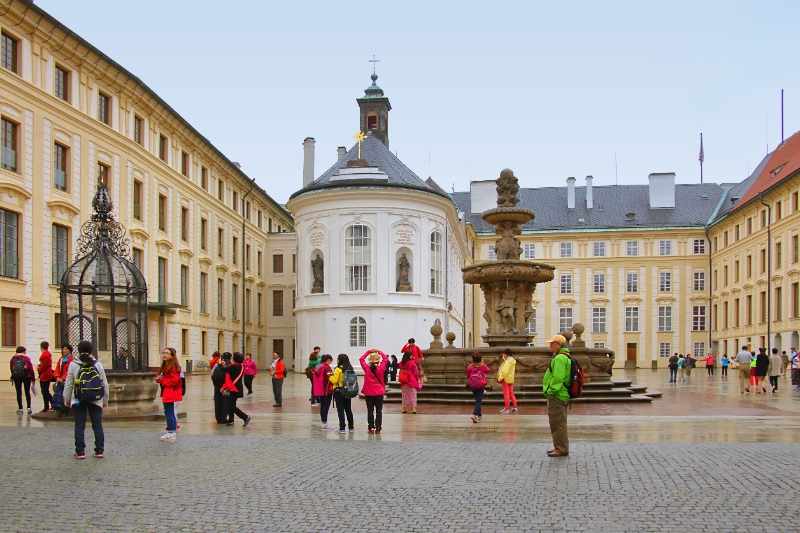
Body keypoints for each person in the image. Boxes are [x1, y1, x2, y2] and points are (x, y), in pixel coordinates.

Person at [63, 340, 108, 459]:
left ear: (78, 351)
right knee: (97, 426)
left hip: (79, 398)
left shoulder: (73, 365)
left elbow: (68, 384)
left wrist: (67, 400)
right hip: (96, 399)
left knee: (79, 426)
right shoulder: (97, 364)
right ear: (92, 351)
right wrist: (105, 400)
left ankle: (80, 451)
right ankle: (99, 450)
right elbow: (104, 384)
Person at [544, 335, 572, 457]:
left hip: (557, 394)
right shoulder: (565, 356)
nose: (550, 345)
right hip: (561, 394)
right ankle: (559, 446)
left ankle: (561, 448)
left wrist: (551, 391)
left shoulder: (560, 358)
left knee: (558, 423)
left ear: (559, 344)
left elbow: (558, 377)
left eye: (552, 343)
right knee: (558, 422)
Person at [155, 348, 182, 442]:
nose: (164, 355)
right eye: (163, 352)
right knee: (169, 412)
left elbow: (174, 380)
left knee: (169, 412)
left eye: (167, 353)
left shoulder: (172, 367)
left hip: (170, 392)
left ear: (172, 356)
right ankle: (171, 431)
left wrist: (161, 380)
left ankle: (171, 432)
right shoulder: (166, 366)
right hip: (167, 391)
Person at [360, 349, 388, 434]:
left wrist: (369, 351)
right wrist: (379, 351)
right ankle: (378, 428)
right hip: (379, 393)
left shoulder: (366, 369)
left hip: (369, 393)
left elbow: (361, 359)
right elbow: (385, 358)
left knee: (370, 411)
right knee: (379, 411)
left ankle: (371, 427)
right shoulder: (381, 368)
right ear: (378, 360)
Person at [223, 352, 251, 426]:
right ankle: (231, 420)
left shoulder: (234, 366)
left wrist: (220, 364)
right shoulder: (240, 366)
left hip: (233, 388)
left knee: (231, 405)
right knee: (231, 404)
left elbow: (224, 369)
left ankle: (245, 417)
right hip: (236, 387)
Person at [330, 354, 355, 433]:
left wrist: (330, 376)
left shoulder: (338, 369)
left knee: (340, 410)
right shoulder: (350, 369)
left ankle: (342, 428)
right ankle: (351, 427)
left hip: (339, 391)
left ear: (340, 360)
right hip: (348, 391)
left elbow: (334, 380)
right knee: (348, 409)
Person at [10, 346, 35, 414]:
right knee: (27, 392)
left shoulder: (13, 359)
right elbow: (30, 369)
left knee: (18, 392)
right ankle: (28, 408)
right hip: (27, 377)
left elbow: (11, 368)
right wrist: (33, 378)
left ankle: (20, 408)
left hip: (17, 377)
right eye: (25, 351)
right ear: (22, 352)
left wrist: (14, 375)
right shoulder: (26, 359)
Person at [466, 352, 490, 423]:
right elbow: (488, 370)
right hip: (480, 385)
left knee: (477, 400)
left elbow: (468, 376)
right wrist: (483, 364)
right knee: (478, 401)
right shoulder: (483, 366)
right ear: (480, 359)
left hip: (473, 386)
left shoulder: (470, 367)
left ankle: (479, 415)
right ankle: (474, 414)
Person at [312, 354, 334, 429]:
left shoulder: (317, 366)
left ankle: (324, 422)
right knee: (326, 406)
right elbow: (331, 378)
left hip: (319, 389)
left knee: (322, 406)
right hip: (327, 389)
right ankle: (325, 423)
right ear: (328, 360)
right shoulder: (327, 367)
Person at [54, 345, 74, 417]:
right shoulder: (61, 359)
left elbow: (69, 371)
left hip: (66, 381)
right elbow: (57, 369)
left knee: (66, 395)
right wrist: (57, 377)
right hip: (60, 380)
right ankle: (61, 409)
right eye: (63, 349)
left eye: (66, 349)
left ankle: (66, 410)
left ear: (69, 350)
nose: (64, 351)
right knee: (60, 395)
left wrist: (63, 378)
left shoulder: (72, 360)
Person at [497, 348, 518, 413]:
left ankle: (507, 408)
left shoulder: (507, 362)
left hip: (505, 379)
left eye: (504, 354)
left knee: (506, 394)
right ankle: (515, 407)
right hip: (510, 379)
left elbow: (504, 371)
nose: (503, 355)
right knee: (511, 394)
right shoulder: (512, 361)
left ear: (508, 354)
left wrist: (500, 377)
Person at [37, 341, 54, 412]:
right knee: (44, 391)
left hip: (45, 375)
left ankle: (52, 403)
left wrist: (38, 369)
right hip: (45, 374)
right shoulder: (46, 354)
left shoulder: (45, 355)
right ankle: (46, 406)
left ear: (41, 347)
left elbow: (44, 367)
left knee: (45, 391)